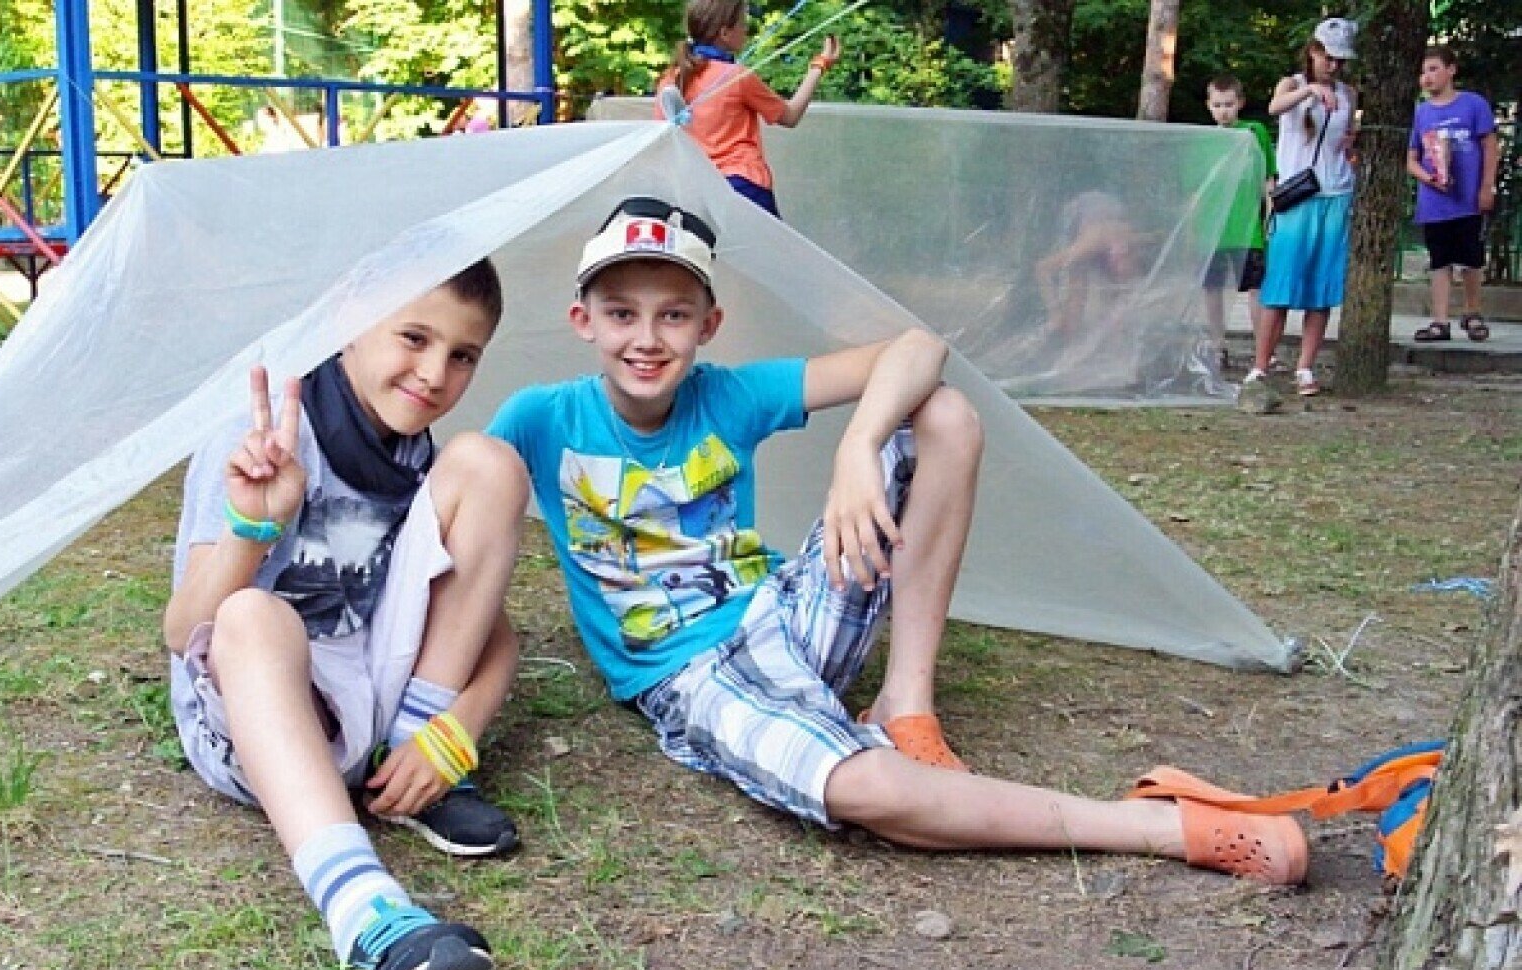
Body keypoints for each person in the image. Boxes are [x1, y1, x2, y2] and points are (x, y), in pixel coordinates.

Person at [487, 195, 1308, 886]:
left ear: (709, 324)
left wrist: (858, 444)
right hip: (690, 671)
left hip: (785, 611)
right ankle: (1158, 824)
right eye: (621, 313)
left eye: (672, 315)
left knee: (942, 413)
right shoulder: (542, 417)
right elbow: (465, 495)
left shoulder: (727, 394)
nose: (646, 338)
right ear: (581, 320)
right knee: (870, 790)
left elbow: (920, 349)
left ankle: (904, 702)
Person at [163, 261, 529, 970]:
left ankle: (407, 773)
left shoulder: (420, 457)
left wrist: (453, 734)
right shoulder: (265, 434)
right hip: (261, 716)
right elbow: (184, 628)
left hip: (374, 705)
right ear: (347, 321)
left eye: (462, 355)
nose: (433, 373)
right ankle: (367, 921)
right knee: (251, 614)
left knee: (490, 462)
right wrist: (253, 526)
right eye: (413, 337)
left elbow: (496, 635)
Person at [1239, 18, 1358, 413]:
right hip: (1297, 194)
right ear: (1313, 51)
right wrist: (1309, 91)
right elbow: (1274, 108)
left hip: (1334, 193)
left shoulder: (1348, 94)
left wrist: (1350, 147)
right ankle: (1261, 365)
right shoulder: (1291, 84)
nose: (1334, 66)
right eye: (1328, 57)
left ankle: (1305, 367)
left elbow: (1344, 140)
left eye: (1340, 60)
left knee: (1321, 286)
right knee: (1281, 283)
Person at [658, 0, 840, 218]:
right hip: (744, 187)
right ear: (725, 33)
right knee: (770, 242)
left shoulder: (669, 80)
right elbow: (790, 116)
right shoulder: (737, 77)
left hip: (693, 193)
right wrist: (820, 64)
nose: (746, 30)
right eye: (742, 24)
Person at [1407, 45, 1498, 344]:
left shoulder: (1473, 104)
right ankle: (1440, 321)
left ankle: (1473, 313)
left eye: (1433, 69)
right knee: (1439, 260)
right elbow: (1411, 158)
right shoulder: (1421, 112)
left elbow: (1489, 147)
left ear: (1451, 70)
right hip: (1435, 203)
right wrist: (1429, 178)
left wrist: (1486, 186)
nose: (1427, 77)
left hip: (1468, 199)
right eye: (1423, 71)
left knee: (1471, 259)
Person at [1201, 75, 1276, 372]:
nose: (1223, 111)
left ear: (1240, 103)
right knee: (1212, 289)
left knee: (1257, 288)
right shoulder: (1204, 141)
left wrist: (1270, 212)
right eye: (1218, 105)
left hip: (1248, 230)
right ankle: (1217, 345)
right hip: (1213, 231)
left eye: (1229, 104)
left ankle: (1262, 352)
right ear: (1209, 106)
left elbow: (1268, 177)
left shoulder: (1254, 132)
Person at [1033, 191, 1150, 342]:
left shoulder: (1133, 242)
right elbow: (1041, 268)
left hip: (1110, 210)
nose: (1121, 273)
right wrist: (1054, 311)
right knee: (1077, 284)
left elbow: (1158, 237)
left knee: (1119, 291)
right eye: (1119, 267)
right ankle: (1069, 336)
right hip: (1078, 213)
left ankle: (1114, 332)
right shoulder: (1088, 245)